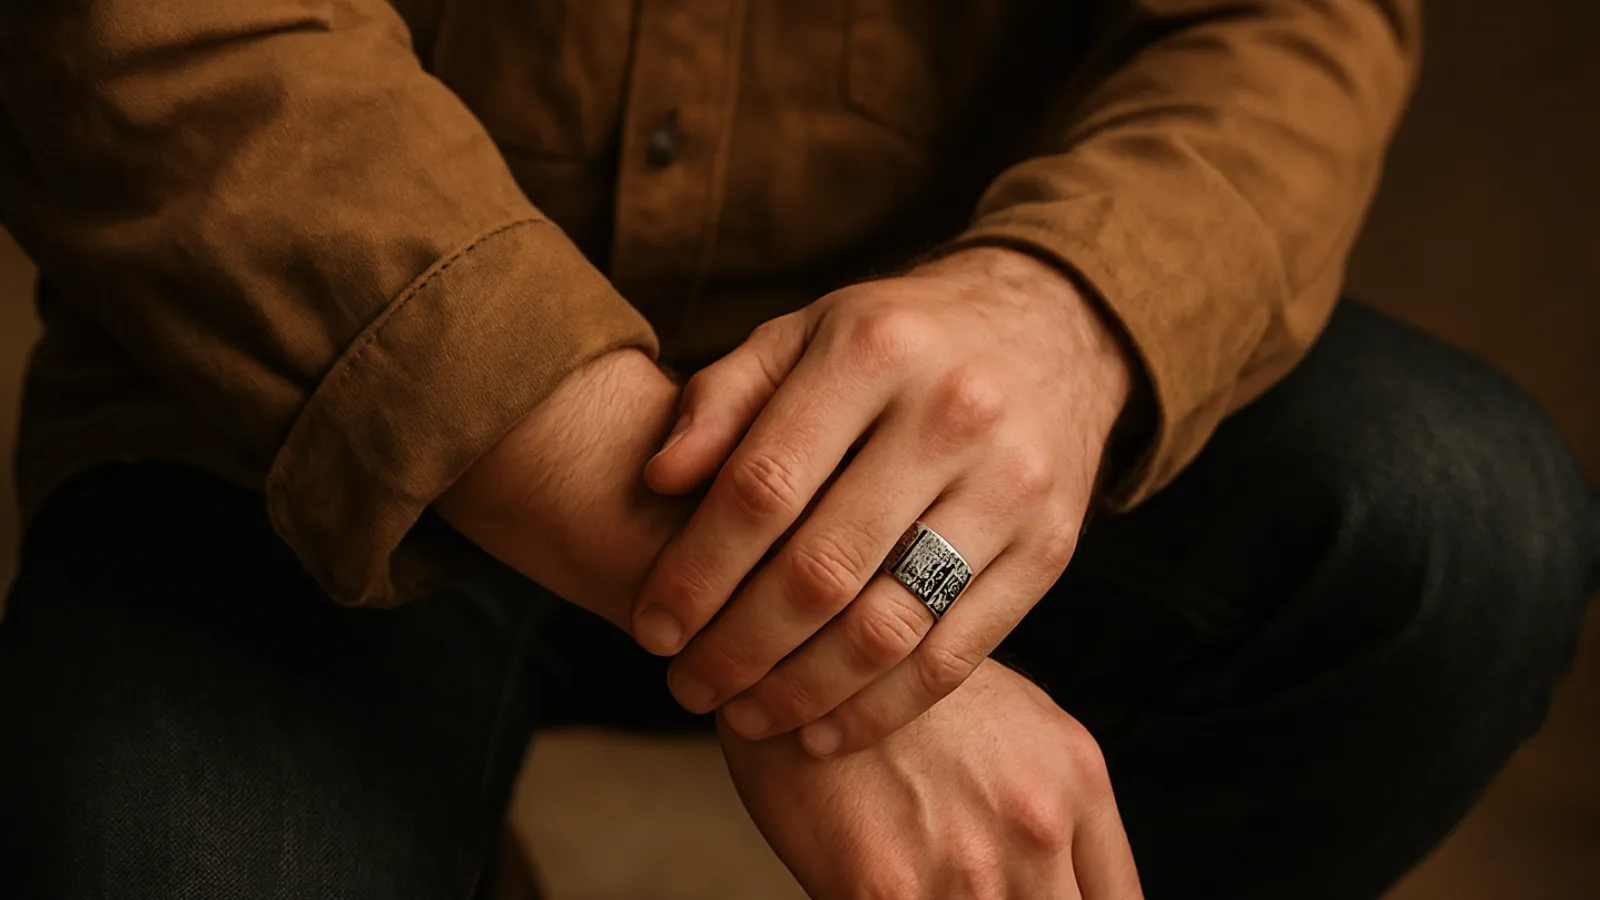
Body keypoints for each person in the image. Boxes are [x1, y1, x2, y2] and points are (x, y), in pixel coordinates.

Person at [0, 1, 1594, 897]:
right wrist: (835, 632)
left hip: (927, 357)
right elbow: (154, 37)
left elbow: (1288, 15)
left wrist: (1065, 309)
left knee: (1455, 522)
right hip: (288, 425)